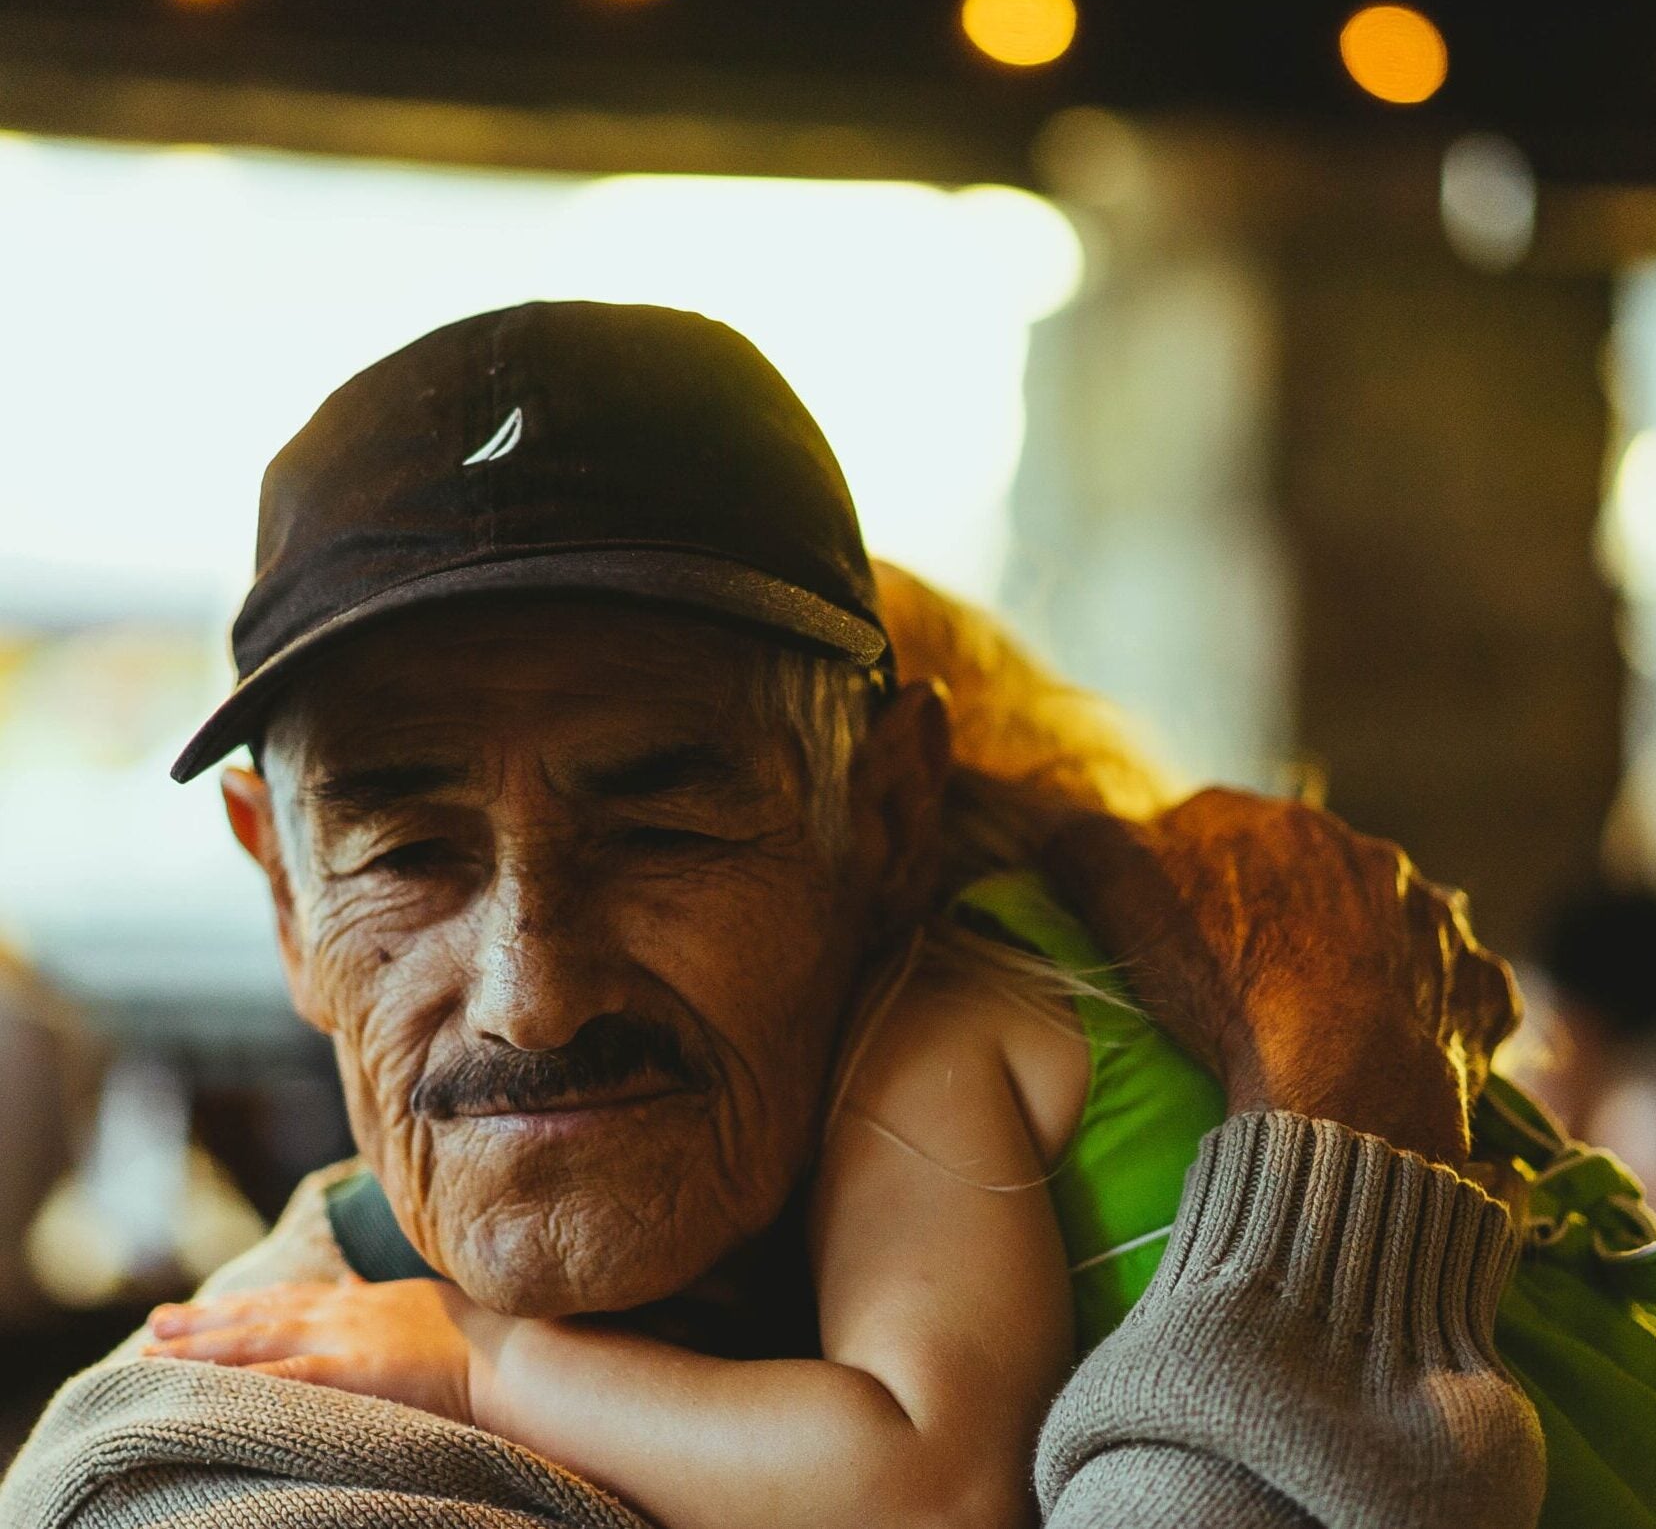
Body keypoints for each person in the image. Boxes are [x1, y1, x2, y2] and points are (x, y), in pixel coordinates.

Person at [1, 303, 1542, 1529]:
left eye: (659, 822)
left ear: (881, 818)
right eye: (408, 853)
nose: (532, 993)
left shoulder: (944, 1108)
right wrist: (1352, 1104)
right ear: (281, 891)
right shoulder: (207, 1467)